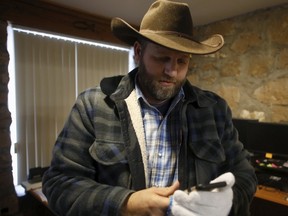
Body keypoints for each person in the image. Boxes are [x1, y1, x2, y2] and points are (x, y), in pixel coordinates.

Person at [42, 0, 257, 215]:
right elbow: (59, 185)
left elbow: (245, 174)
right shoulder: (92, 106)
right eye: (162, 58)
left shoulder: (214, 110)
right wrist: (126, 204)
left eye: (182, 61)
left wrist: (229, 201)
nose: (172, 71)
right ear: (138, 51)